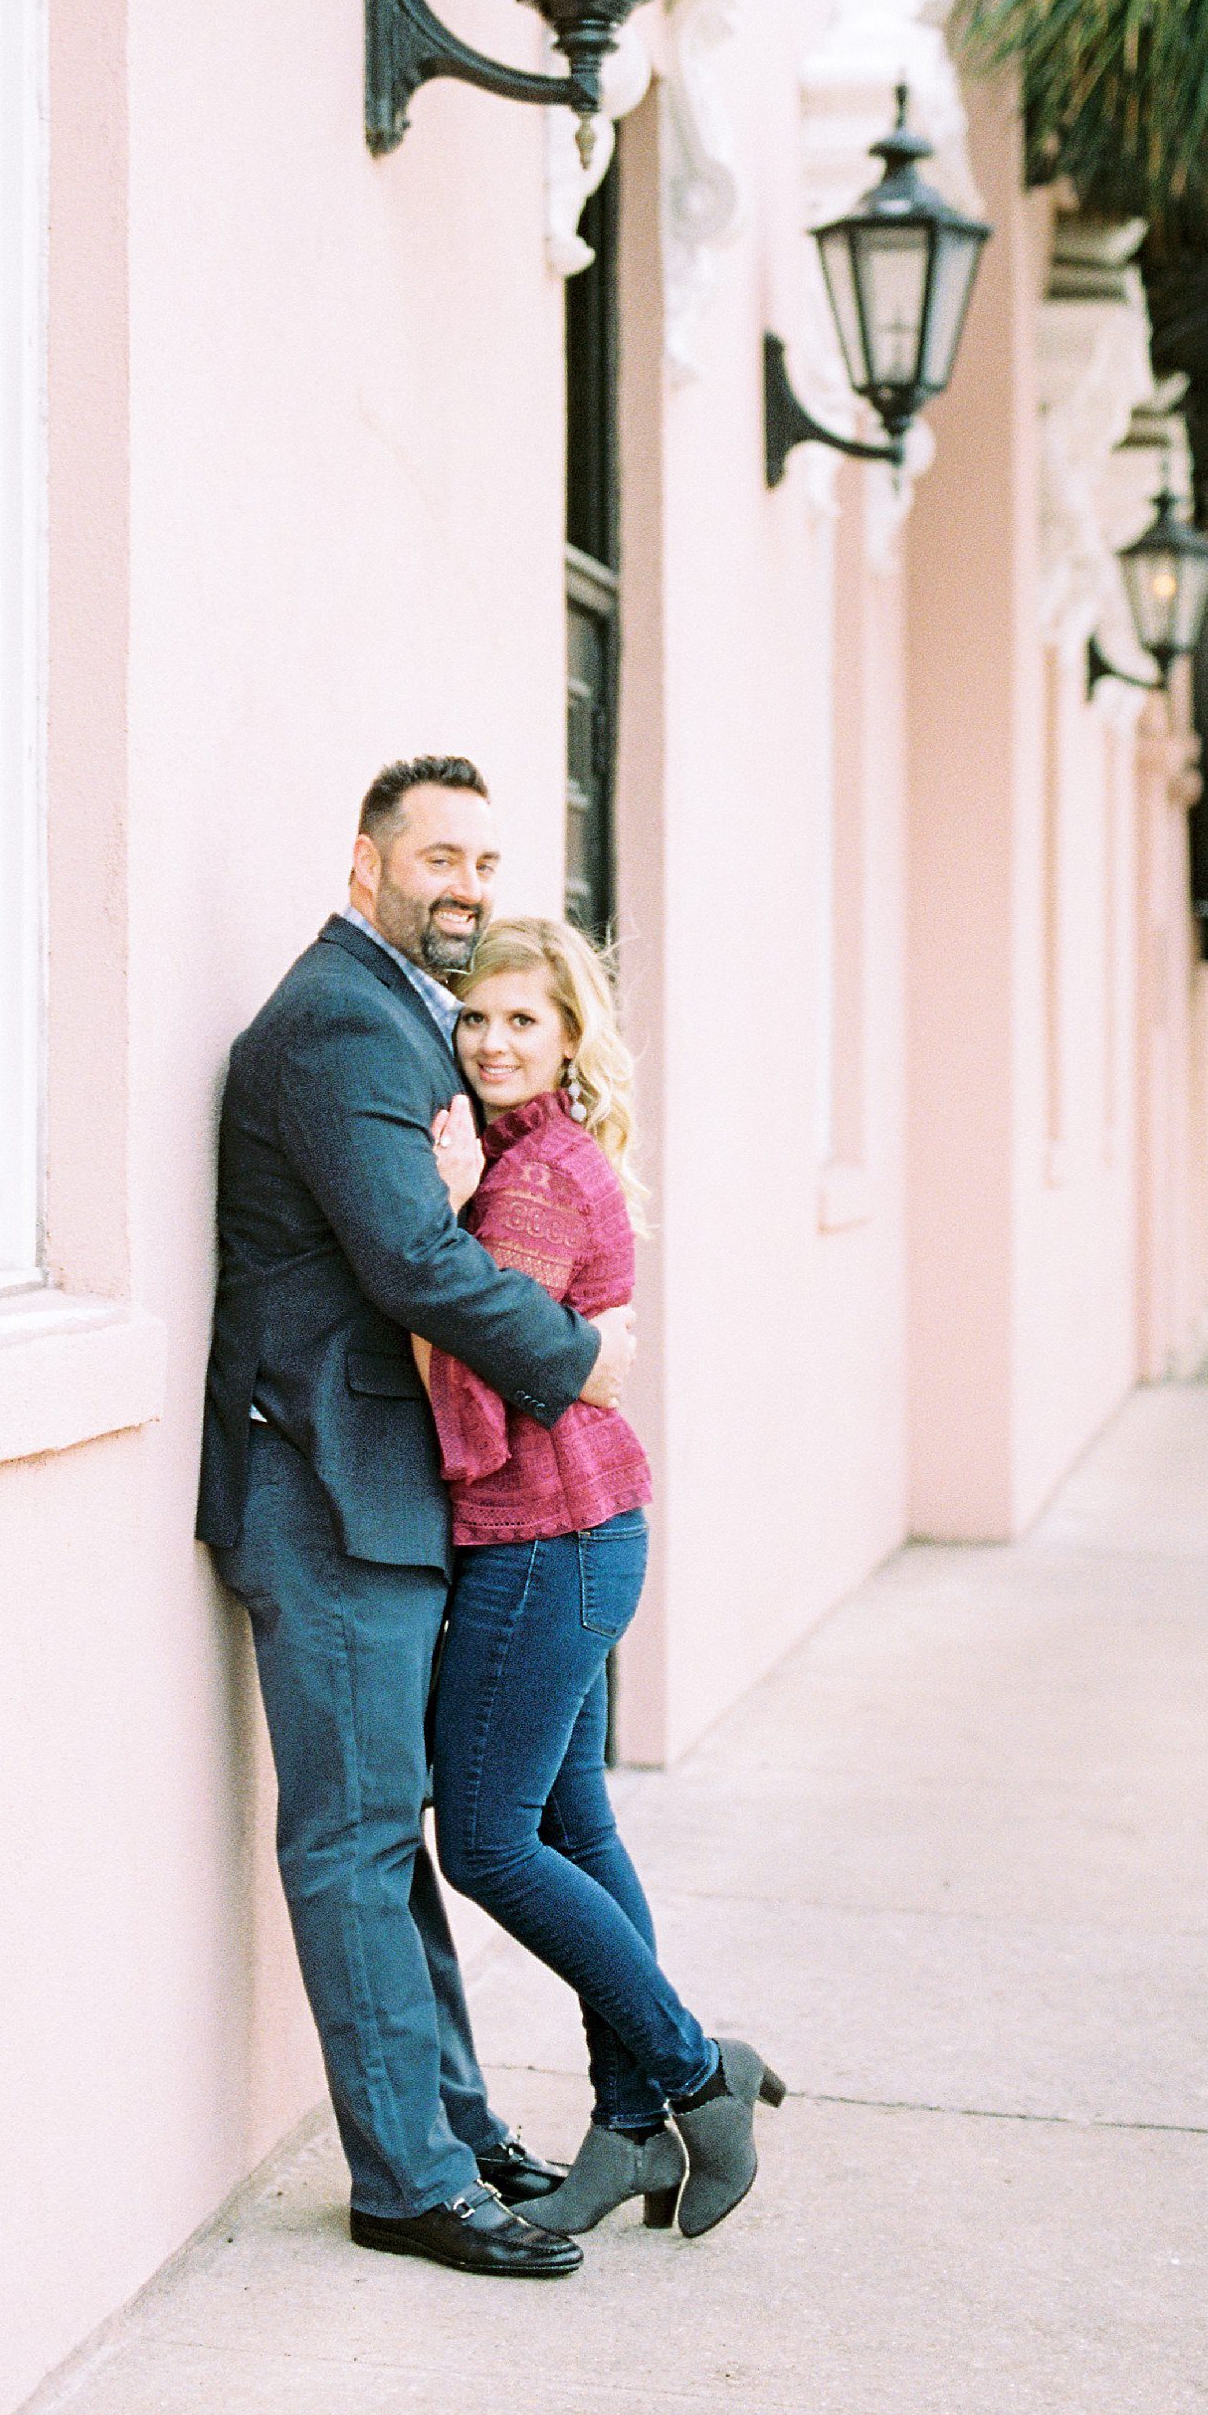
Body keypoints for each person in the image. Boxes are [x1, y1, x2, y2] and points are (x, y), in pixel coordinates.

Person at [198, 758, 638, 2280]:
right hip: (325, 1487)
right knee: (355, 1838)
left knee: (393, 1835)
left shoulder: (406, 1012)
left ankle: (452, 2133)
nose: (466, 885)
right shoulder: (339, 1021)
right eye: (439, 857)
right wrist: (577, 1358)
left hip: (381, 1491)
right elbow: (410, 1262)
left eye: (486, 862)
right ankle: (406, 2181)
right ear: (365, 865)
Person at [414, 916, 786, 2239]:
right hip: (581, 1536)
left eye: (524, 1019)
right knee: (573, 1829)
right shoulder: (536, 1158)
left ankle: (696, 2072)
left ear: (571, 1034)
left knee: (486, 1840)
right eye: (476, 1017)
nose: (494, 1041)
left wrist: (437, 1226)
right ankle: (633, 2127)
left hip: (546, 1541)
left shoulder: (527, 1184)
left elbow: (476, 1380)